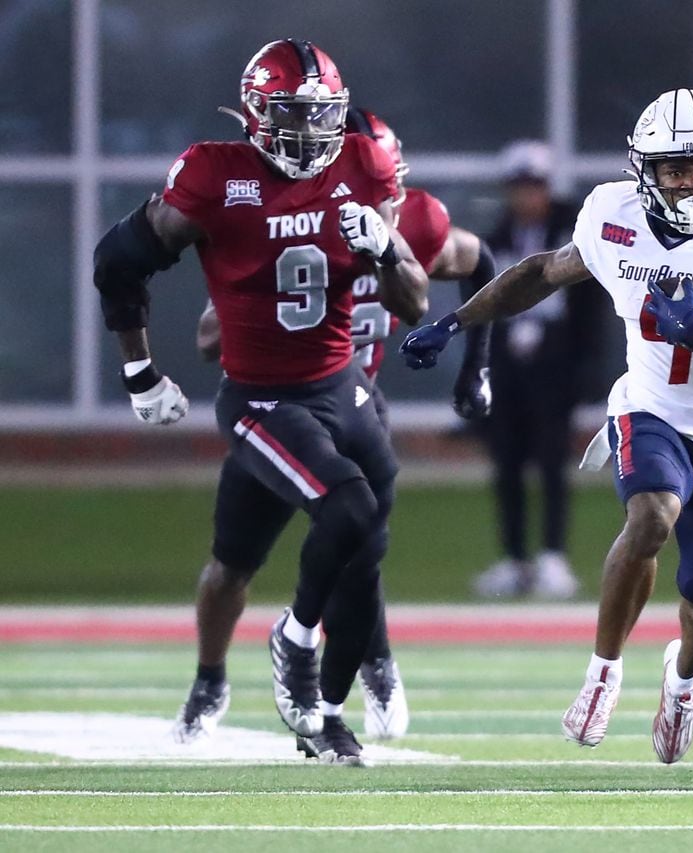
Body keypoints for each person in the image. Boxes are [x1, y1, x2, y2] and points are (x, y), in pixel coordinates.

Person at [93, 40, 481, 765]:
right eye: (295, 116)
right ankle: (275, 647)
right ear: (258, 114)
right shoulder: (216, 175)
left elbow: (414, 299)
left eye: (324, 116)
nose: (312, 133)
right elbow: (117, 261)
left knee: (363, 542)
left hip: (344, 386)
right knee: (317, 526)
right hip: (263, 397)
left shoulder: (363, 167)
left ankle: (328, 714)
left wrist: (386, 251)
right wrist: (140, 371)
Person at [400, 89, 693, 764]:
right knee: (650, 517)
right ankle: (602, 671)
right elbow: (540, 273)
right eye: (675, 168)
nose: (692, 181)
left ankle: (682, 683)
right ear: (643, 169)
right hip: (649, 408)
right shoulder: (613, 214)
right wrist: (455, 321)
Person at [184, 106, 496, 745]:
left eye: (392, 178)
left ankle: (362, 674)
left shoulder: (413, 219)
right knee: (232, 562)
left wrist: (475, 369)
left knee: (358, 546)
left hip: (354, 398)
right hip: (277, 405)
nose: (389, 191)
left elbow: (478, 261)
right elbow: (210, 337)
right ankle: (211, 677)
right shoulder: (294, 215)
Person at [470, 140, 606, 601]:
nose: (527, 196)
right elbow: (481, 308)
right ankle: (513, 558)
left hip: (555, 370)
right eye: (519, 186)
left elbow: (591, 310)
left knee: (552, 464)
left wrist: (587, 368)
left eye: (535, 185)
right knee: (506, 464)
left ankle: (552, 556)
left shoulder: (571, 239)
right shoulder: (497, 240)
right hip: (508, 371)